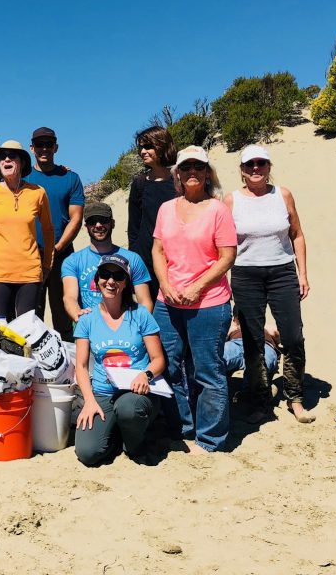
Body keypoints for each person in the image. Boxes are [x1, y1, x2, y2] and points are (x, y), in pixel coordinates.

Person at [151, 146, 237, 454]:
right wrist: (165, 282)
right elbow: (158, 251)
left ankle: (210, 439)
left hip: (209, 303)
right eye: (185, 167)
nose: (192, 172)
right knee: (170, 367)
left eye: (198, 167)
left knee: (207, 370)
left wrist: (198, 286)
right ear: (177, 173)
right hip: (168, 303)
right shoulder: (167, 208)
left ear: (206, 173)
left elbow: (227, 256)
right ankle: (183, 428)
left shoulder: (217, 210)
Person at [223, 145, 313, 424]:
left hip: (282, 272)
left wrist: (303, 273)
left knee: (293, 336)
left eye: (261, 163)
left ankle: (295, 396)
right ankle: (260, 400)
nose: (255, 169)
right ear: (241, 170)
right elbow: (223, 244)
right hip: (245, 274)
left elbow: (297, 234)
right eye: (249, 164)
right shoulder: (231, 200)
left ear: (269, 166)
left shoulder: (282, 195)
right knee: (252, 341)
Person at [74, 254, 166, 467]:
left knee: (128, 409)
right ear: (97, 280)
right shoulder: (87, 319)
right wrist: (89, 400)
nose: (111, 281)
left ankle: (135, 446)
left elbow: (158, 359)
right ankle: (116, 433)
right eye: (105, 274)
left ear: (126, 283)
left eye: (118, 276)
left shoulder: (141, 314)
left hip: (136, 393)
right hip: (102, 393)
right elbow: (81, 365)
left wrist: (146, 374)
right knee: (88, 453)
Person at [0, 141, 54, 320]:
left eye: (12, 156)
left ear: (21, 162)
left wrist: (46, 265)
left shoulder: (37, 193)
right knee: (0, 332)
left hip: (29, 274)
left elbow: (48, 230)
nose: (6, 159)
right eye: (2, 157)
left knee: (27, 331)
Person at [26, 127, 85, 340]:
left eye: (48, 144)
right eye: (39, 144)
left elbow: (76, 218)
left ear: (56, 147)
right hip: (30, 256)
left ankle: (68, 366)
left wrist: (56, 248)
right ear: (32, 148)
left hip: (63, 256)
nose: (44, 149)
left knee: (64, 313)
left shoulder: (70, 178)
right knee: (32, 316)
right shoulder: (22, 177)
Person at [63, 201, 155, 326]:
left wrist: (139, 327)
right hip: (89, 324)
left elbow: (145, 301)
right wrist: (78, 315)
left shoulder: (133, 259)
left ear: (113, 224)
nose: (98, 225)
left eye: (103, 220)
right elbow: (70, 297)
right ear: (86, 227)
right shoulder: (73, 261)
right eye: (92, 221)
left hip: (126, 324)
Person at [127, 126, 178, 303]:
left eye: (148, 146)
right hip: (145, 259)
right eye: (140, 147)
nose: (143, 151)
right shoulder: (139, 184)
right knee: (150, 311)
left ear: (162, 146)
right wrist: (134, 260)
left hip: (176, 259)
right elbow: (133, 227)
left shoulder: (179, 181)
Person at [223, 313, 279, 379]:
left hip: (262, 345)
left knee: (263, 366)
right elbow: (219, 340)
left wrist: (263, 327)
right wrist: (232, 328)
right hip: (237, 343)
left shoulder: (265, 328)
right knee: (215, 358)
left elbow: (279, 335)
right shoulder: (234, 328)